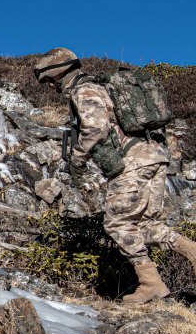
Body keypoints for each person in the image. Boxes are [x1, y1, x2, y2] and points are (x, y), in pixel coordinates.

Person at [33, 47, 196, 304]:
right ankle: (191, 250)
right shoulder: (101, 87)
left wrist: (77, 159)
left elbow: (96, 129)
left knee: (116, 223)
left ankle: (150, 283)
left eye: (49, 80)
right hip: (155, 156)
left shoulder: (84, 90)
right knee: (143, 224)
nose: (51, 86)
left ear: (57, 74)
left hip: (133, 162)